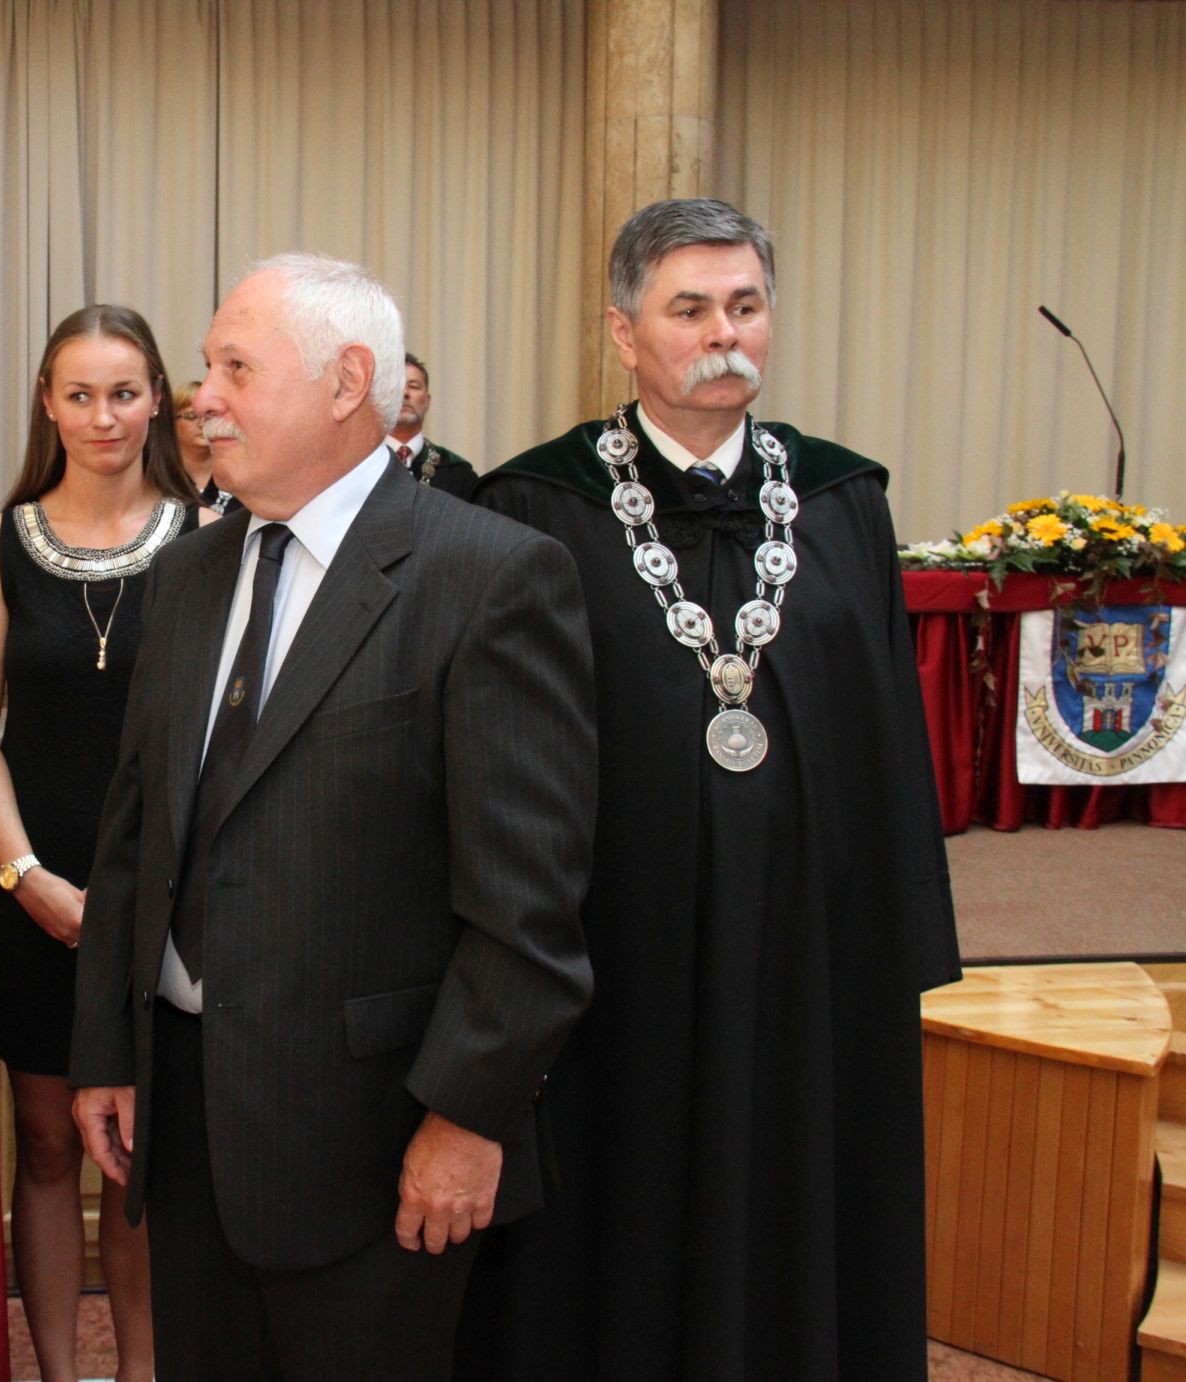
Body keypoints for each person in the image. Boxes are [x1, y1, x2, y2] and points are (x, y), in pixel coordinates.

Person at [456, 198, 962, 1381]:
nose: (722, 333)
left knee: (798, 1193)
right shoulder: (534, 507)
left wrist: (895, 935)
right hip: (614, 963)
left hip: (807, 957)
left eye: (745, 305)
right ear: (623, 332)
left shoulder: (843, 500)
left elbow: (888, 738)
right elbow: (499, 760)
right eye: (689, 308)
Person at [69, 253, 596, 1380]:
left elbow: (529, 905)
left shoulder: (489, 576)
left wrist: (467, 1119)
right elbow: (133, 836)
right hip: (188, 1119)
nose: (201, 399)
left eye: (235, 368)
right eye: (206, 369)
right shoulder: (188, 573)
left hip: (375, 1145)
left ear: (348, 381)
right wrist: (109, 1046)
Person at [0, 303, 210, 1382]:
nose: (104, 416)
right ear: (47, 405)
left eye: (124, 392)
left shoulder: (211, 540)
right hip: (33, 883)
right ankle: (59, 1371)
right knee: (52, 1142)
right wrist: (25, 876)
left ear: (157, 402)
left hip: (169, 893)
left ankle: (142, 1370)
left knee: (140, 1151)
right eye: (80, 394)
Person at [386, 353, 477, 499]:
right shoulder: (359, 463)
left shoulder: (457, 472)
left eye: (414, 386)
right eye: (397, 386)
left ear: (427, 401)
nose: (405, 393)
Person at [172, 379, 237, 513]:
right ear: (172, 422)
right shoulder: (162, 478)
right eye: (191, 416)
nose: (202, 424)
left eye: (209, 416)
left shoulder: (237, 474)